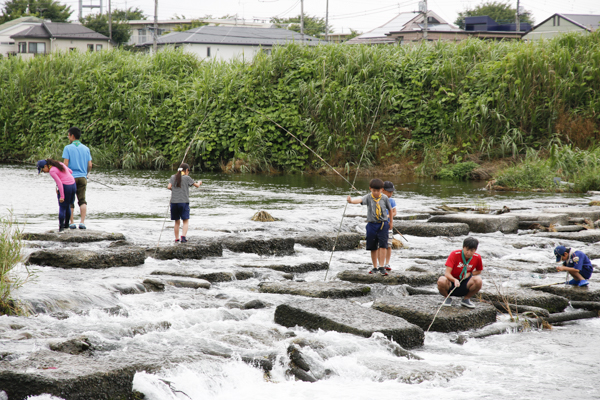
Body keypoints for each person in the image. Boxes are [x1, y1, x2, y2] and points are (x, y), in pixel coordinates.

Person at [347, 178, 393, 275]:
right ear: (370, 189)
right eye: (374, 190)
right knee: (373, 246)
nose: (376, 193)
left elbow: (390, 210)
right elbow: (359, 200)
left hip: (383, 224)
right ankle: (375, 267)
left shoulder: (384, 198)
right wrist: (351, 201)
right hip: (371, 224)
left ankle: (382, 266)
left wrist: (391, 222)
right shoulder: (368, 197)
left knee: (383, 245)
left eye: (378, 190)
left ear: (382, 189)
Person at [438, 237, 483, 308]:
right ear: (463, 247)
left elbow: (479, 271)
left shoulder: (477, 257)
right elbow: (447, 273)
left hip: (465, 282)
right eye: (467, 250)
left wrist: (470, 274)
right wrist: (454, 280)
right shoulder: (454, 254)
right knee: (441, 280)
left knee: (478, 280)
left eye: (472, 250)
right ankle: (447, 297)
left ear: (475, 250)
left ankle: (466, 299)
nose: (468, 253)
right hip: (451, 282)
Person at [62, 126, 92, 230]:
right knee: (82, 200)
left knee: (70, 201)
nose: (68, 137)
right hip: (83, 178)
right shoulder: (86, 148)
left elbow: (65, 164)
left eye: (68, 135)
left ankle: (72, 222)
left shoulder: (67, 148)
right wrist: (86, 174)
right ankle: (82, 222)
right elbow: (90, 165)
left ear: (72, 136)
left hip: (71, 179)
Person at [37, 159, 77, 232]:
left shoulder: (52, 171)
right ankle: (66, 226)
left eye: (42, 170)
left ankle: (61, 228)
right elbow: (70, 171)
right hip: (73, 185)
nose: (44, 172)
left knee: (62, 206)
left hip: (66, 186)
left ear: (46, 166)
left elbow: (59, 183)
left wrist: (62, 196)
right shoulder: (59, 163)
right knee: (68, 205)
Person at [167, 163, 202, 243]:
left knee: (177, 221)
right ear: (186, 170)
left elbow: (169, 187)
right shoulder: (187, 178)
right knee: (185, 220)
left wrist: (174, 190)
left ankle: (176, 238)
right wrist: (199, 182)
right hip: (183, 202)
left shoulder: (173, 177)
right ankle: (183, 237)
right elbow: (197, 185)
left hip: (174, 202)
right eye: (188, 171)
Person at [382, 181, 397, 271]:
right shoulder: (378, 199)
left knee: (389, 245)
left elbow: (394, 212)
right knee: (380, 245)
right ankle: (380, 263)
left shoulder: (391, 200)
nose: (390, 194)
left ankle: (387, 263)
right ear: (383, 190)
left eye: (392, 192)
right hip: (379, 226)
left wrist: (387, 217)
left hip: (388, 225)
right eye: (389, 192)